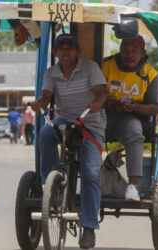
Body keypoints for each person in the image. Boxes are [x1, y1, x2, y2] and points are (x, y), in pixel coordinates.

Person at [31, 33, 106, 249]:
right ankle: (51, 184)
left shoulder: (90, 67)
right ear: (55, 53)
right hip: (66, 120)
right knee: (45, 133)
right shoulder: (51, 72)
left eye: (70, 48)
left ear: (77, 51)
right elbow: (46, 95)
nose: (65, 52)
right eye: (61, 48)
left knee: (90, 173)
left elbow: (100, 93)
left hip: (90, 123)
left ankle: (89, 227)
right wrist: (40, 102)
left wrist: (97, 103)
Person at [102, 35, 158, 201]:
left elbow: (155, 106)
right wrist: (112, 104)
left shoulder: (150, 73)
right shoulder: (106, 65)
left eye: (133, 51)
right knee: (85, 130)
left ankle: (132, 187)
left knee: (134, 130)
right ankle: (89, 181)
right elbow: (93, 94)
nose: (128, 55)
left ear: (142, 53)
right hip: (104, 114)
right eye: (124, 51)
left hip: (131, 118)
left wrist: (135, 107)